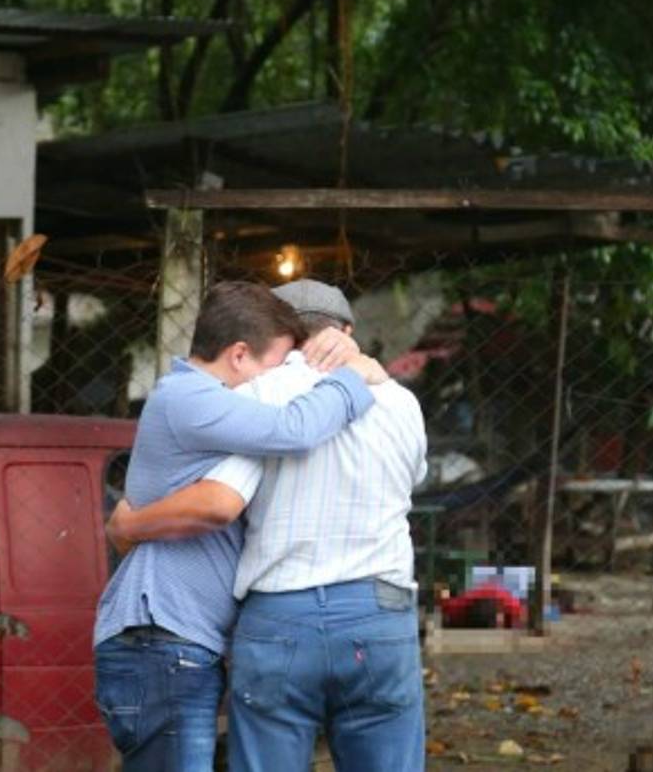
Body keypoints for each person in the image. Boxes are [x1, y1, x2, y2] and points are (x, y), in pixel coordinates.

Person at [109, 279, 429, 772]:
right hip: (379, 613)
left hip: (280, 614)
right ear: (345, 333)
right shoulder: (399, 402)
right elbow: (412, 480)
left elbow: (221, 498)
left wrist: (129, 525)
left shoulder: (260, 394)